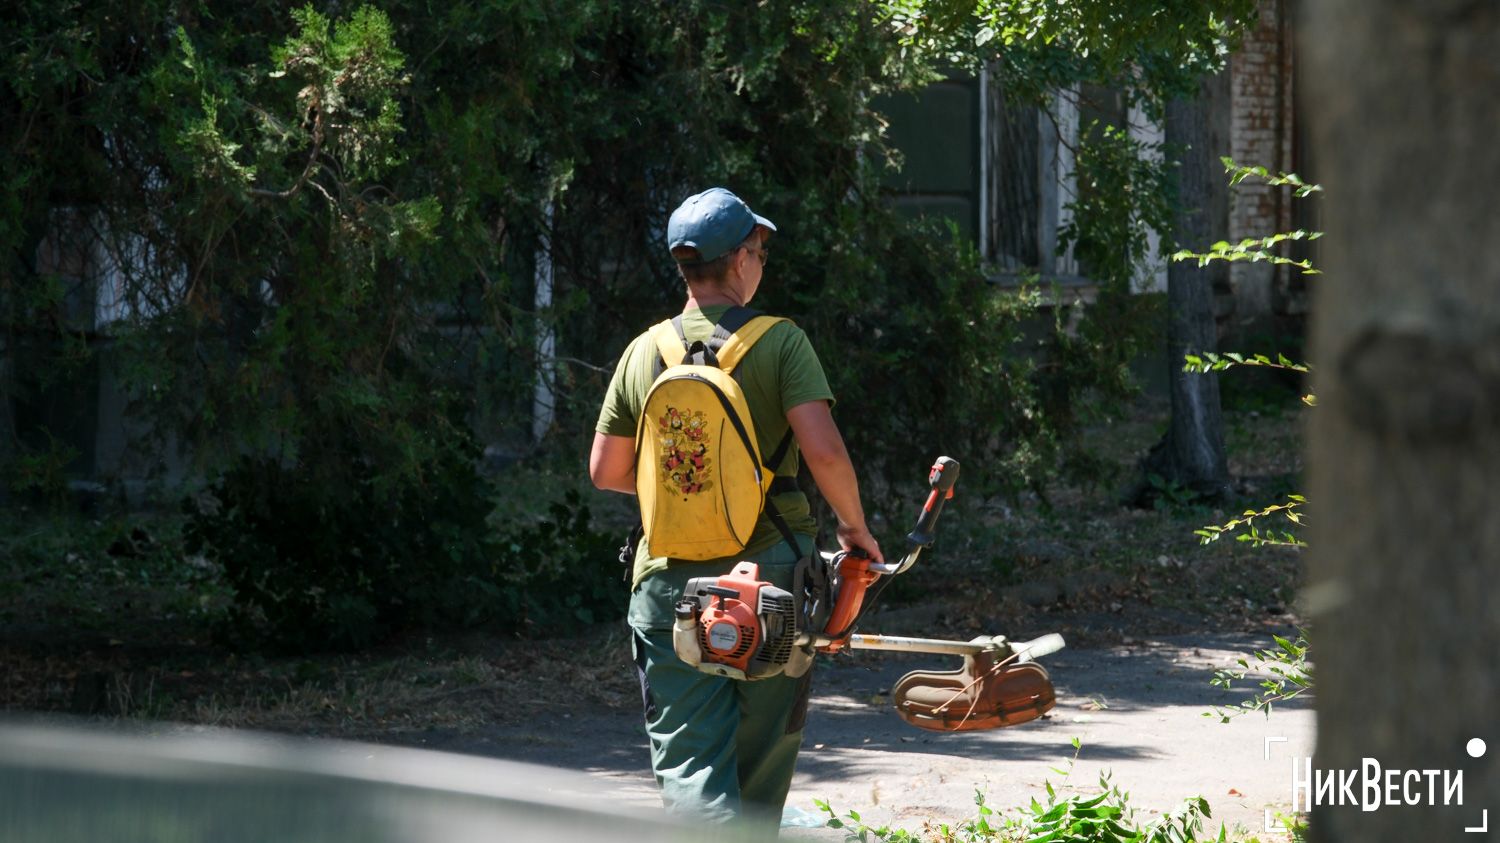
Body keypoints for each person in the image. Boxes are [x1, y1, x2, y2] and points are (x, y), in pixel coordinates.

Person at [589, 187, 884, 835]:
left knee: (693, 765)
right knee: (761, 762)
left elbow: (607, 470)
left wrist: (686, 486)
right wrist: (854, 529)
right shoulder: (781, 343)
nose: (762, 262)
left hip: (668, 584)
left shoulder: (645, 351)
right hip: (773, 577)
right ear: (740, 260)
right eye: (760, 250)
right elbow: (825, 453)